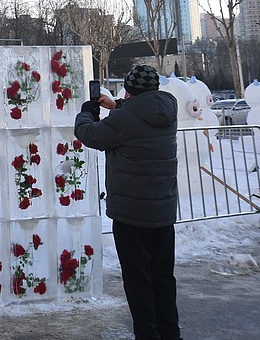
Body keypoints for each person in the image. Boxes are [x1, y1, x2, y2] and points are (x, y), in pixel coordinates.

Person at [74, 64, 182, 340]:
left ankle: (147, 335)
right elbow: (140, 112)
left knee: (138, 282)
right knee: (162, 278)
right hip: (163, 211)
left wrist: (87, 112)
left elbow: (88, 134)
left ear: (130, 89)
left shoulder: (123, 121)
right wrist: (118, 105)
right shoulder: (168, 109)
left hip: (132, 215)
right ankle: (170, 334)